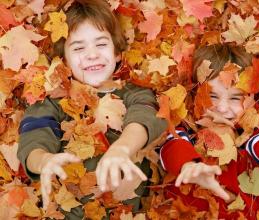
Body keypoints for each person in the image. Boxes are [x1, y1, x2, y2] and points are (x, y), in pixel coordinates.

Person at [17, 0, 167, 218]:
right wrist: (43, 160)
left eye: (101, 44)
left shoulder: (134, 92)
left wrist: (123, 148)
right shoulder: (54, 103)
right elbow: (34, 137)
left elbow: (146, 116)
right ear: (65, 61)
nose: (92, 54)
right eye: (78, 48)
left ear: (117, 52)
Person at [159, 44, 259, 219]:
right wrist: (188, 164)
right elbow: (173, 147)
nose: (223, 108)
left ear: (250, 100)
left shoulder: (249, 139)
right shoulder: (186, 133)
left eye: (235, 98)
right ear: (195, 96)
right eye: (213, 96)